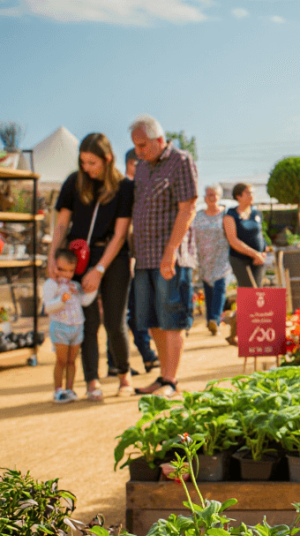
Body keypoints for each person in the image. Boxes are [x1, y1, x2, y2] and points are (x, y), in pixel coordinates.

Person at [49, 132, 134, 401]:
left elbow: (120, 233)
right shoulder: (74, 183)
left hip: (112, 257)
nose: (87, 168)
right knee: (86, 322)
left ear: (107, 159)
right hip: (79, 258)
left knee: (113, 321)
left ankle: (124, 375)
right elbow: (62, 223)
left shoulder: (124, 187)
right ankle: (92, 381)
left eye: (92, 163)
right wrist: (53, 256)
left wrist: (99, 269)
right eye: (83, 162)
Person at [129, 115, 198, 397]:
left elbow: (188, 207)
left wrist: (170, 253)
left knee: (172, 318)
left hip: (170, 257)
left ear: (159, 140)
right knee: (153, 320)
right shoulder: (142, 168)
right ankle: (165, 376)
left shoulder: (180, 161)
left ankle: (171, 379)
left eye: (143, 145)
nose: (139, 151)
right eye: (135, 146)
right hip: (145, 257)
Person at [119, 148, 159, 375]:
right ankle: (143, 354)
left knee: (133, 311)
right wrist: (131, 257)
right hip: (128, 258)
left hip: (138, 258)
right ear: (133, 164)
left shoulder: (139, 188)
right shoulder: (127, 188)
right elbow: (127, 228)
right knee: (128, 312)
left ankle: (144, 354)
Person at [44, 248, 97, 404]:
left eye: (70, 271)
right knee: (61, 360)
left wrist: (92, 288)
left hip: (77, 326)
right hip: (60, 326)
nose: (65, 274)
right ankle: (58, 390)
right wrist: (62, 300)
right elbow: (48, 308)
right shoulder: (51, 285)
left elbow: (84, 301)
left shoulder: (74, 285)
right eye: (61, 270)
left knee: (72, 361)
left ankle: (70, 389)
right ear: (54, 266)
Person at [192, 184, 232, 335]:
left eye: (214, 194)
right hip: (204, 258)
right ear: (204, 198)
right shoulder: (198, 216)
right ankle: (211, 321)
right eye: (209, 195)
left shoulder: (225, 215)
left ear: (219, 196)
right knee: (209, 291)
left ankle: (215, 319)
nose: (212, 197)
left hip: (222, 258)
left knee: (220, 288)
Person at [223, 183, 267, 290]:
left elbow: (260, 235)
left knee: (257, 290)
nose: (251, 196)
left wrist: (263, 253)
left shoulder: (256, 213)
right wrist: (254, 254)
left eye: (252, 193)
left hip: (258, 260)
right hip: (239, 259)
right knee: (247, 290)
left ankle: (255, 308)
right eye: (248, 193)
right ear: (238, 196)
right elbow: (233, 240)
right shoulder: (230, 215)